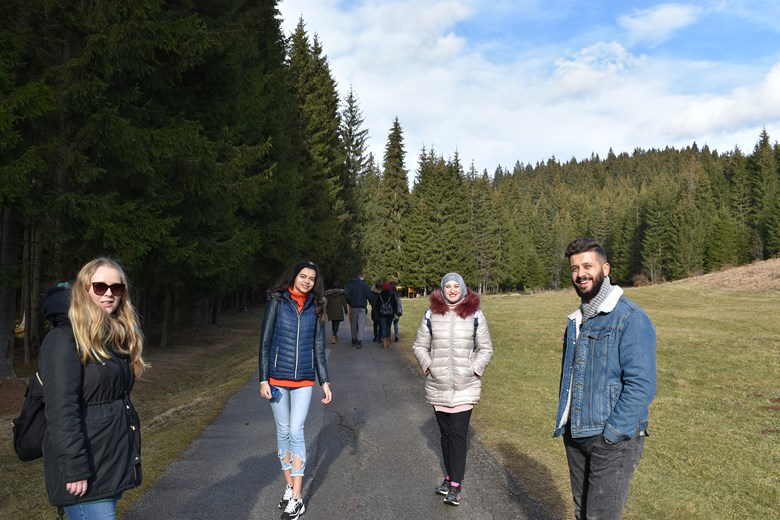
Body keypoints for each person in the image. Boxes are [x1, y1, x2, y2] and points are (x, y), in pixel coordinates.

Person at [553, 238, 656, 520]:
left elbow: (641, 385)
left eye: (588, 266)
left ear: (605, 268)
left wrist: (612, 435)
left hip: (611, 439)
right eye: (575, 269)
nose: (580, 274)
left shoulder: (630, 318)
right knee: (583, 513)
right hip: (577, 434)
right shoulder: (577, 319)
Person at [39, 257, 146, 519]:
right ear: (83, 289)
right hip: (84, 468)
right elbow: (61, 409)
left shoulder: (110, 337)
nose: (109, 293)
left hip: (107, 459)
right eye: (100, 287)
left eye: (116, 288)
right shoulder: (63, 339)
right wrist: (74, 468)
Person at [259, 260, 332, 520]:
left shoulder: (316, 306)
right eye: (303, 276)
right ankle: (289, 487)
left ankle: (298, 499)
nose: (307, 281)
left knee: (295, 431)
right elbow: (265, 343)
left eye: (311, 278)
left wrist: (325, 381)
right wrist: (263, 379)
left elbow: (319, 349)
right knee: (282, 432)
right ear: (294, 277)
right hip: (277, 379)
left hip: (303, 380)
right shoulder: (277, 302)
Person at [412, 273, 493, 507]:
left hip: (465, 386)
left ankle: (456, 485)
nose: (452, 290)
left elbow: (486, 348)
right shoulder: (431, 314)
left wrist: (474, 370)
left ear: (463, 288)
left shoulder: (475, 314)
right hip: (438, 385)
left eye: (456, 286)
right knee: (446, 435)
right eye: (448, 286)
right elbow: (419, 345)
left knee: (458, 435)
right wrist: (429, 367)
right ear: (442, 289)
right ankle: (449, 478)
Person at [344, 272, 374, 348]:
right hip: (362, 306)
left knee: (354, 323)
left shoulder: (351, 285)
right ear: (362, 277)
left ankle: (353, 338)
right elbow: (370, 296)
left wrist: (350, 302)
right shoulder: (365, 285)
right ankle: (359, 341)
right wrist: (369, 300)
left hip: (353, 306)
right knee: (361, 324)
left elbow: (347, 295)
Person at [377, 281, 398, 348]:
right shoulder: (392, 295)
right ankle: (388, 342)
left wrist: (378, 313)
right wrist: (395, 312)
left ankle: (384, 343)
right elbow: (395, 305)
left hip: (382, 314)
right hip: (390, 314)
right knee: (388, 327)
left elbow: (377, 306)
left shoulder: (380, 295)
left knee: (383, 327)